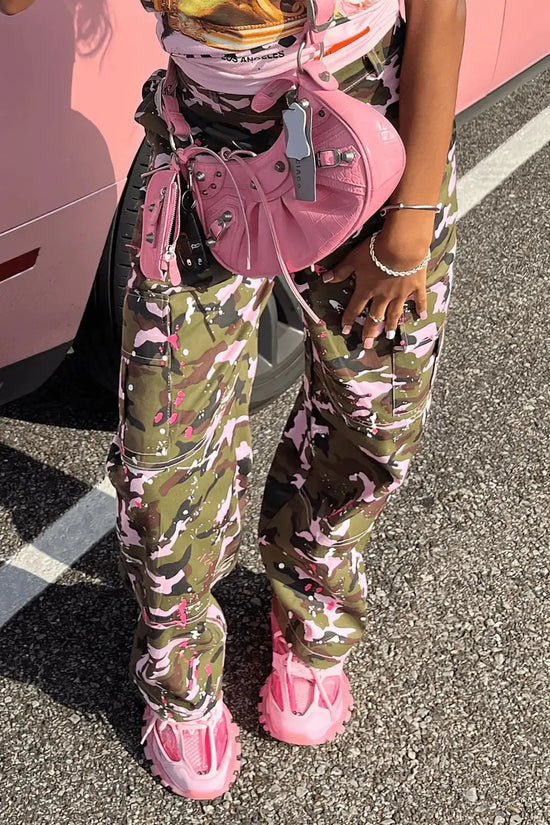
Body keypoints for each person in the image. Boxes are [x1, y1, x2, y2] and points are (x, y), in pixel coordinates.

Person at [3, 0, 466, 802]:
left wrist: (413, 223)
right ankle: (179, 671)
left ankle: (313, 602)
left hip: (369, 120)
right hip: (204, 140)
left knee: (373, 414)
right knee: (166, 441)